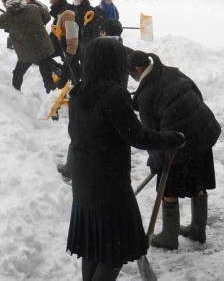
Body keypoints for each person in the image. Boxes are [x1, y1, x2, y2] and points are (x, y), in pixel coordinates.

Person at [66, 37, 185, 281]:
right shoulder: (114, 94)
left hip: (83, 180)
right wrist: (173, 138)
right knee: (117, 249)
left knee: (94, 245)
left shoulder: (78, 91)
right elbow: (138, 136)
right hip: (109, 185)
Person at [127, 50, 221, 250]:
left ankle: (169, 237)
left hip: (178, 142)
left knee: (168, 188)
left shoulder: (146, 94)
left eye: (131, 74)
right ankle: (198, 229)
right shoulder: (171, 71)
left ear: (138, 69)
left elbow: (151, 136)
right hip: (203, 131)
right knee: (199, 181)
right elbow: (197, 94)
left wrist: (156, 163)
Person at [0, 0, 56, 93]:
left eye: (3, 2)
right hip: (43, 47)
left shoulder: (7, 17)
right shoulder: (34, 8)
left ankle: (16, 94)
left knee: (18, 73)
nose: (3, 4)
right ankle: (52, 94)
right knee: (46, 74)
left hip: (27, 52)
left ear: (7, 1)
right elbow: (47, 17)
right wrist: (36, 23)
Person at [47, 0, 81, 84]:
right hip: (61, 45)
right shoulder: (60, 12)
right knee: (44, 58)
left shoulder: (67, 13)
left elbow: (72, 36)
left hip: (68, 48)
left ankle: (73, 86)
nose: (49, 1)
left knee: (71, 70)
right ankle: (65, 78)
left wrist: (70, 53)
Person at [70, 0, 106, 64]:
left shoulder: (91, 10)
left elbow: (95, 27)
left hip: (87, 39)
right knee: (73, 61)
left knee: (85, 60)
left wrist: (93, 40)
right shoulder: (71, 9)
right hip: (74, 39)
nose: (75, 0)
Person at [99, 19, 132, 87]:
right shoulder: (127, 52)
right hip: (120, 91)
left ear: (104, 33)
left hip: (100, 91)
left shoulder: (96, 51)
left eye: (101, 32)